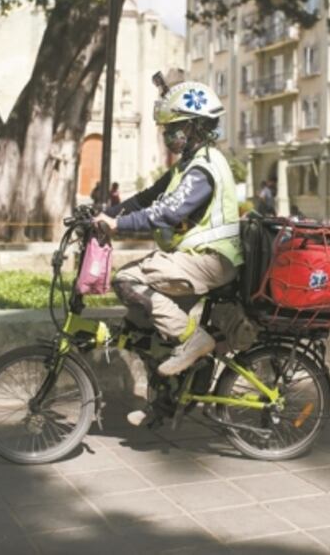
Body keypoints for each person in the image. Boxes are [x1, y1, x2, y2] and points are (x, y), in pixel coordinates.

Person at [94, 79, 242, 425]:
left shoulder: (204, 168)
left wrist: (118, 225)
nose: (166, 135)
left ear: (194, 128)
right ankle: (166, 405)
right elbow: (145, 198)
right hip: (196, 259)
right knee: (148, 331)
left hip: (212, 260)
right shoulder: (186, 166)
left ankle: (195, 340)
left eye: (173, 128)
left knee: (128, 279)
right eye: (165, 129)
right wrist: (102, 214)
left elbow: (166, 213)